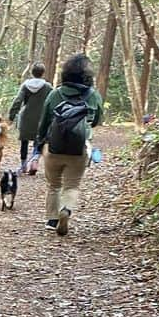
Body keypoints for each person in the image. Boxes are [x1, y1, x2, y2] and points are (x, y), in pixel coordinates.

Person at [36, 53, 104, 237]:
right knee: (72, 185)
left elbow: (43, 122)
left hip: (54, 147)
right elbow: (97, 120)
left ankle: (52, 220)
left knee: (54, 185)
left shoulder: (55, 93)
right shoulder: (93, 95)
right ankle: (66, 210)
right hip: (80, 148)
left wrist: (39, 143)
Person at [9, 62, 53, 173]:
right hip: (41, 118)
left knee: (24, 142)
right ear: (43, 73)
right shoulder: (47, 86)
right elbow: (53, 101)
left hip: (25, 118)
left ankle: (23, 165)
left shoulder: (25, 85)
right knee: (38, 141)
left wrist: (11, 116)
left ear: (31, 72)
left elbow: (18, 101)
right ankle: (34, 160)